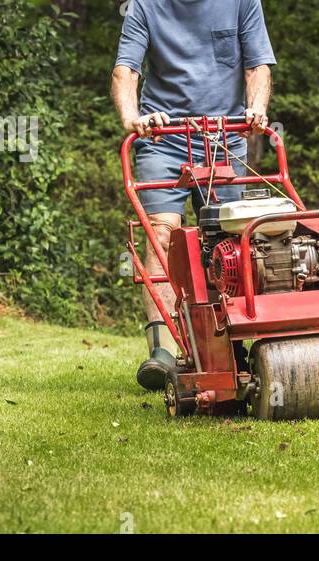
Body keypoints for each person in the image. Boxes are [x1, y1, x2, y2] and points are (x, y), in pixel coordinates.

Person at [112, 0, 276, 390]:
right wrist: (133, 119)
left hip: (223, 135)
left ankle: (228, 344)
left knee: (226, 242)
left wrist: (255, 109)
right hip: (163, 136)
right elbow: (125, 71)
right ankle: (163, 351)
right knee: (161, 233)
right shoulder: (144, 6)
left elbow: (258, 66)